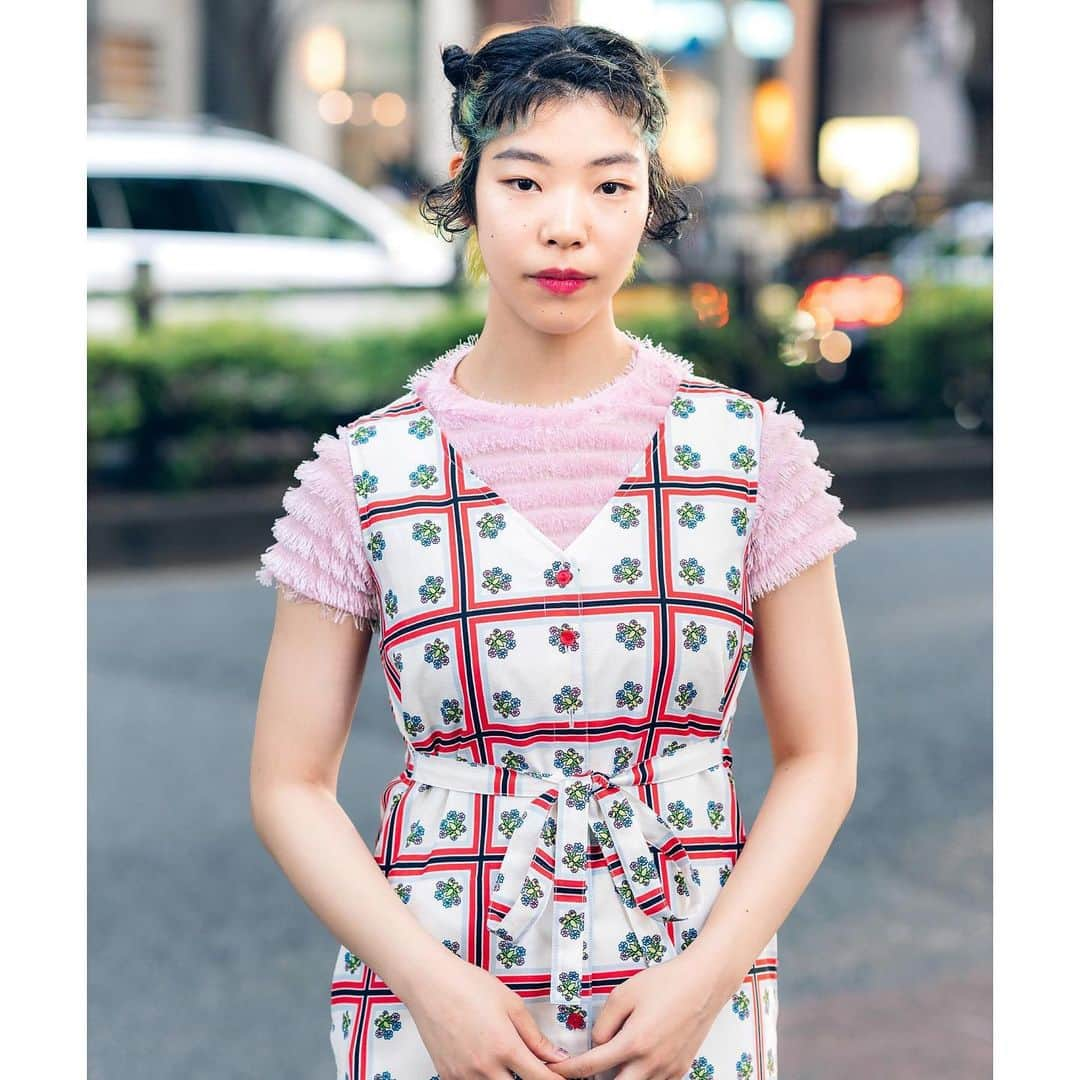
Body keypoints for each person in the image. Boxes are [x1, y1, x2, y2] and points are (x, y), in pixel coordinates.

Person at [252, 22, 858, 1080]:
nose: (566, 227)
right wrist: (431, 986)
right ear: (468, 187)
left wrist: (708, 977)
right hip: (435, 995)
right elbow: (288, 782)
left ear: (649, 201)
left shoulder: (749, 453)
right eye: (525, 183)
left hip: (684, 995)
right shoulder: (366, 470)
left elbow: (822, 756)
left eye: (610, 188)